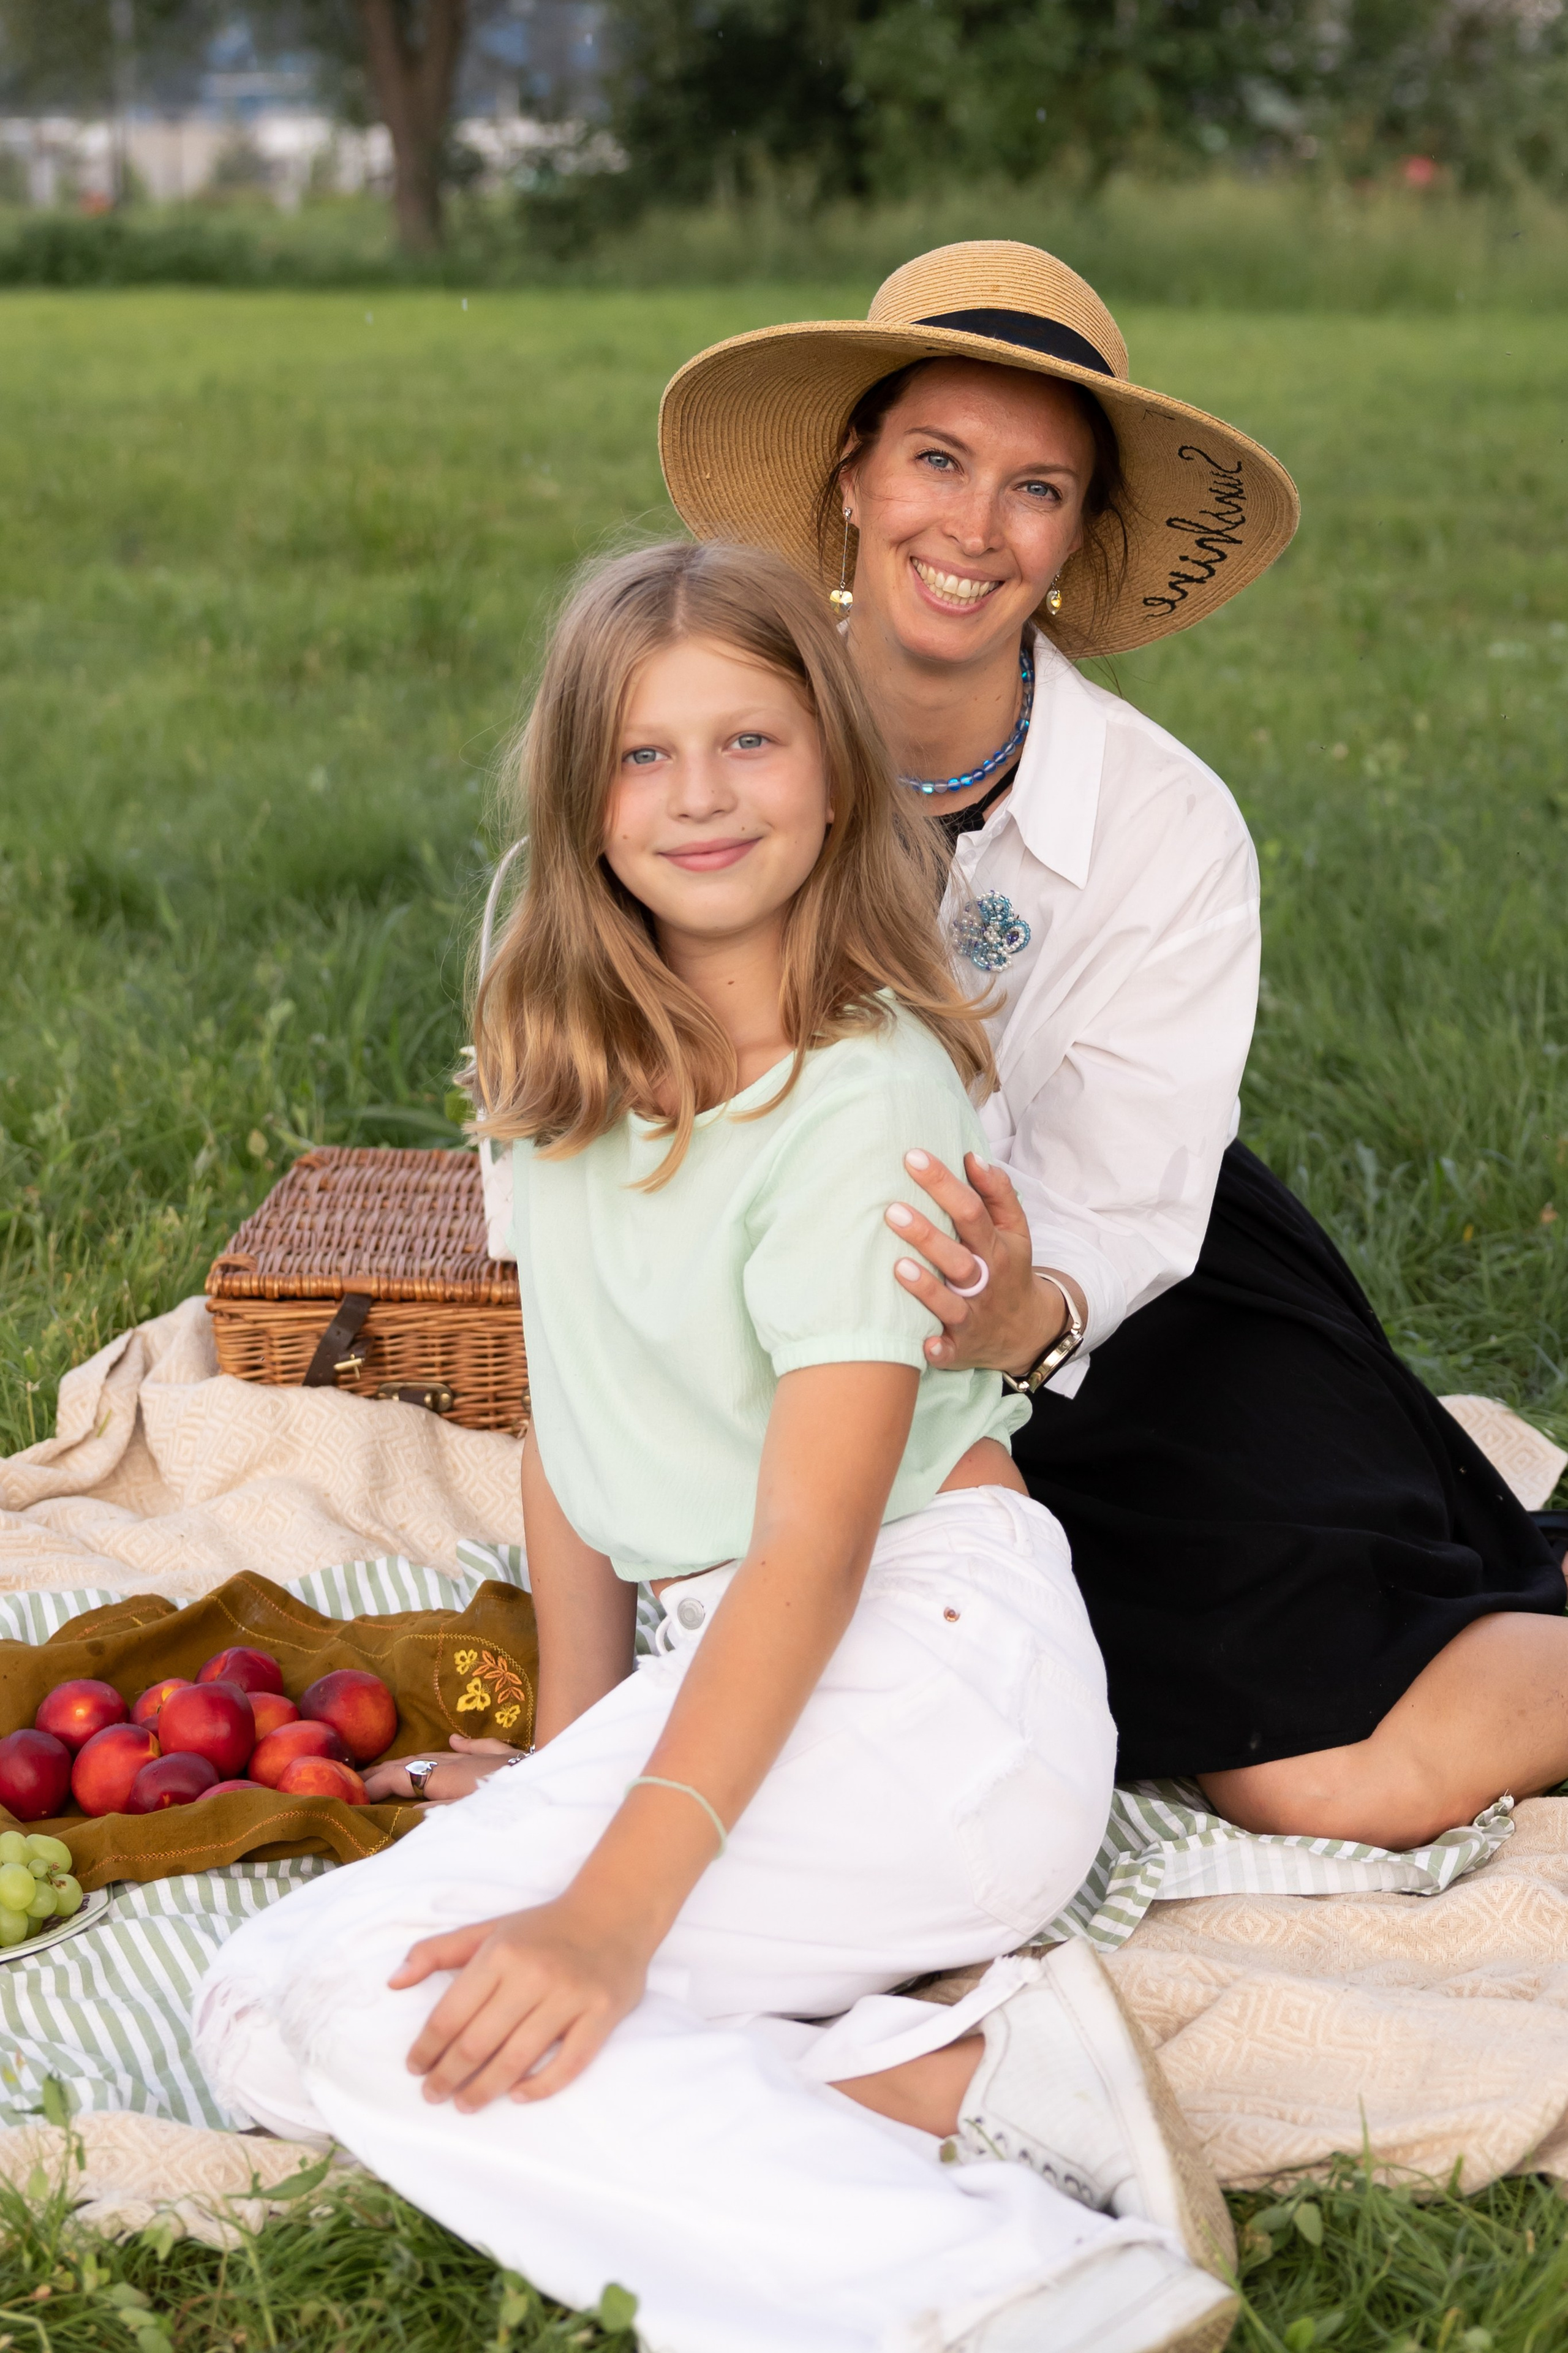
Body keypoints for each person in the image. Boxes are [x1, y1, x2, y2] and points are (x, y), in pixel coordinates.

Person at [193, 541, 1236, 2353]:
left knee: (356, 1994)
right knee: (279, 2022)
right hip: (743, 1674)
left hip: (933, 1682)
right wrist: (561, 1770)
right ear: (581, 800)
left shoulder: (869, 1099)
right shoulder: (562, 1064)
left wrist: (606, 1904)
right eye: (645, 755)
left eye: (748, 741)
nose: (698, 797)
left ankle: (1016, 2284)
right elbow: (572, 1430)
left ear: (834, 769)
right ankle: (968, 2080)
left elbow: (818, 1552)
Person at [658, 240, 1568, 1853]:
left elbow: (1129, 1198)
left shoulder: (1164, 823)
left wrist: (1021, 1312)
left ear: (1077, 537)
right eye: (937, 458)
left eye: (1039, 488)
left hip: (1131, 1320)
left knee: (1332, 1773)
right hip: (818, 1324)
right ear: (854, 474)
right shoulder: (711, 754)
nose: (975, 527)